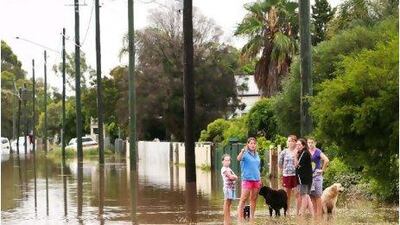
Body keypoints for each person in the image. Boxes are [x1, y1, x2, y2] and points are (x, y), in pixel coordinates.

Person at [236, 137, 261, 221]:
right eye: (251, 143)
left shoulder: (257, 154)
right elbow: (238, 159)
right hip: (247, 179)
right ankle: (240, 218)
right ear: (247, 144)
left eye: (254, 143)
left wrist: (260, 178)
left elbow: (258, 167)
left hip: (256, 180)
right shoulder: (245, 153)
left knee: (253, 199)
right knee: (243, 199)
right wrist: (242, 151)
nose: (253, 145)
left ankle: (252, 217)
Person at [307, 137, 330, 216]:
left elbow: (326, 160)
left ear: (315, 143)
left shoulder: (318, 151)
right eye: (309, 142)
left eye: (312, 142)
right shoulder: (306, 151)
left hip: (317, 176)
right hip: (309, 176)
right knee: (311, 196)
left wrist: (322, 170)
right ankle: (315, 216)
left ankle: (319, 216)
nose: (310, 144)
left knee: (318, 195)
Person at [278, 135, 298, 214]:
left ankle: (297, 210)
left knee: (297, 194)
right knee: (287, 194)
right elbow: (280, 163)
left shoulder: (298, 151)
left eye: (292, 141)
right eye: (289, 141)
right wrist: (284, 170)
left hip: (296, 175)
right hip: (287, 175)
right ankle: (287, 210)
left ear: (295, 142)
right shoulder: (284, 152)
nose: (290, 142)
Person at [294, 138, 314, 216]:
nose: (297, 146)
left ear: (303, 145)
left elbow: (296, 165)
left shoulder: (304, 153)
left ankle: (301, 213)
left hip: (303, 178)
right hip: (307, 177)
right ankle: (313, 215)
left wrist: (295, 156)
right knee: (307, 196)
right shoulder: (304, 153)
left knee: (304, 195)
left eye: (299, 145)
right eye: (297, 145)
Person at [221, 154, 238, 225]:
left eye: (228, 160)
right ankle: (226, 220)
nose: (227, 162)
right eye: (226, 160)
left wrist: (235, 177)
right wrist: (235, 177)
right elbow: (231, 177)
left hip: (232, 188)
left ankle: (228, 218)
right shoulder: (224, 169)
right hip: (227, 188)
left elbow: (234, 176)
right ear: (222, 161)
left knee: (229, 203)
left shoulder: (229, 169)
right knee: (226, 203)